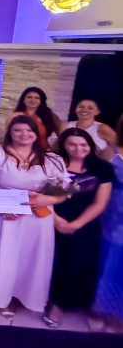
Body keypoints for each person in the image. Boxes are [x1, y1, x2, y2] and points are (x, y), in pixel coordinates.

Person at [0, 115, 68, 316]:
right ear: (10, 132)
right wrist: (0, 205)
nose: (23, 134)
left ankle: (12, 296)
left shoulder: (51, 159)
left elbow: (63, 190)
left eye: (29, 130)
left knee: (25, 259)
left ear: (36, 134)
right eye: (18, 130)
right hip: (2, 215)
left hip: (35, 218)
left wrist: (47, 199)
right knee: (1, 255)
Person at [43, 127, 113, 327]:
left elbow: (100, 203)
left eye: (83, 144)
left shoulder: (101, 168)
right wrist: (57, 221)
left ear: (90, 145)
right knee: (51, 263)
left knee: (75, 263)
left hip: (85, 223)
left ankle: (61, 305)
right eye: (72, 144)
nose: (78, 148)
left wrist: (76, 224)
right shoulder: (55, 164)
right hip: (50, 219)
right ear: (63, 145)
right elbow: (45, 196)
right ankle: (45, 299)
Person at [94, 118, 123, 332]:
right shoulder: (110, 152)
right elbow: (96, 181)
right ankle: (100, 309)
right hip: (113, 212)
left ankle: (118, 313)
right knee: (108, 264)